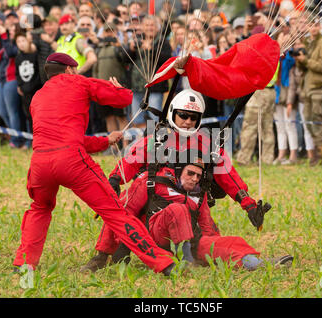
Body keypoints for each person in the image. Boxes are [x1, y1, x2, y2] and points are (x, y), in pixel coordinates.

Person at [12, 52, 175, 275]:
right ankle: (162, 263)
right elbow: (125, 99)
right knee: (115, 213)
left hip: (40, 163)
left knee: (39, 208)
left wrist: (105, 141)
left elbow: (63, 139)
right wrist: (119, 88)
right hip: (72, 162)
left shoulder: (38, 97)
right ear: (69, 70)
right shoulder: (79, 82)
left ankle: (24, 266)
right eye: (76, 69)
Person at [82, 87, 269, 270]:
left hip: (192, 215)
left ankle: (255, 262)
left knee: (212, 245)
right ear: (173, 113)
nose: (188, 121)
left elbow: (229, 176)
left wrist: (249, 205)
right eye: (183, 115)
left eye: (193, 117)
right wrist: (114, 181)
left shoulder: (207, 145)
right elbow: (129, 162)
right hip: (153, 218)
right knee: (122, 202)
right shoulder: (156, 141)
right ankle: (103, 255)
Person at [81, 156, 293, 272]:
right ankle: (187, 264)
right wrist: (106, 253)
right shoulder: (152, 180)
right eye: (190, 173)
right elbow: (120, 215)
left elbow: (208, 228)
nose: (194, 179)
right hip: (153, 238)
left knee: (227, 242)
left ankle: (258, 263)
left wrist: (215, 248)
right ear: (178, 170)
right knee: (177, 209)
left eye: (198, 176)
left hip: (186, 243)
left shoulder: (198, 196)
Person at [295, 18, 322, 167]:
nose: (313, 28)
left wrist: (305, 60)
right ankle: (317, 155)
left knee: (318, 123)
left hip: (319, 88)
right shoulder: (307, 42)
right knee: (309, 123)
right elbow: (303, 69)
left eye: (316, 25)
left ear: (320, 27)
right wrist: (300, 60)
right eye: (311, 25)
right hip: (308, 89)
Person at [235, 64, 279, 166]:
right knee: (267, 127)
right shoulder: (275, 52)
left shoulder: (263, 52)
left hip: (259, 92)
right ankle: (268, 158)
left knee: (250, 126)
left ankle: (244, 159)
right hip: (271, 91)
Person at [15, 31, 42, 149]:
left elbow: (38, 74)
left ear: (28, 41)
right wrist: (20, 86)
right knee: (28, 116)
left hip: (35, 91)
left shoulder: (35, 55)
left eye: (23, 41)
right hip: (24, 92)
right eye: (18, 42)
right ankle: (31, 140)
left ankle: (40, 141)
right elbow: (17, 74)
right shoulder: (18, 58)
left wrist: (32, 87)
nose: (21, 44)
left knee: (38, 117)